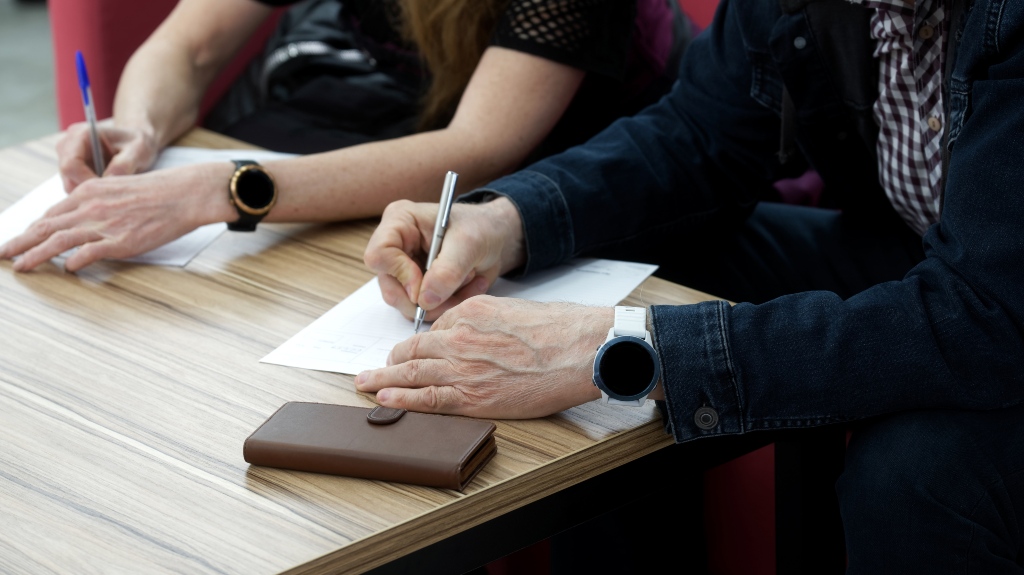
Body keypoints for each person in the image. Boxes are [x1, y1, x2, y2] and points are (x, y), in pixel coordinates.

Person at [357, 0, 1024, 571]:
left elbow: (988, 313)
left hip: (996, 302)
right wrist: (506, 222)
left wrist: (621, 350)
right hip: (925, 252)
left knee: (912, 478)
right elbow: (701, 135)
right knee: (647, 277)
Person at [0, 0, 690, 272]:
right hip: (374, 98)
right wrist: (142, 127)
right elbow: (192, 47)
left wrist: (228, 187)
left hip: (569, 161)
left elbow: (478, 147)